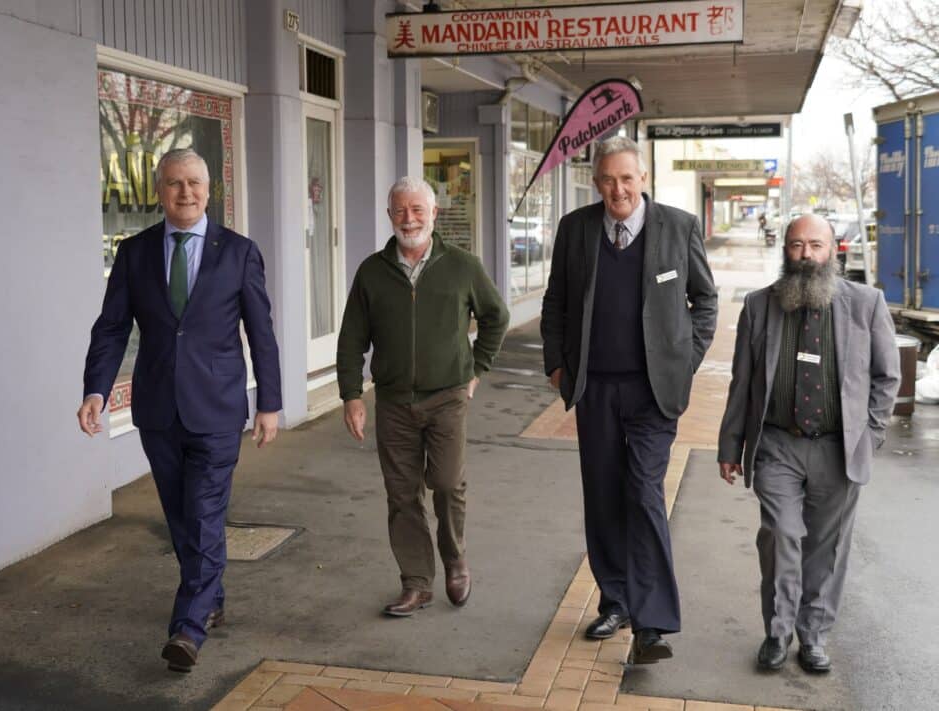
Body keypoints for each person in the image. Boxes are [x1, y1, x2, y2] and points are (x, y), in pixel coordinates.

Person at [77, 148, 282, 673]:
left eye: (194, 182)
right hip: (158, 409)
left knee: (205, 511)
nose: (185, 192)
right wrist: (97, 390)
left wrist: (270, 403)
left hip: (217, 407)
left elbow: (261, 331)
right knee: (181, 515)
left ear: (209, 190)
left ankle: (188, 627)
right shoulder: (135, 253)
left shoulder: (239, 252)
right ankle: (210, 596)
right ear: (159, 191)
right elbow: (112, 328)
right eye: (174, 183)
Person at [540, 136, 717, 664]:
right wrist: (557, 365)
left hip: (651, 392)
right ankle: (615, 600)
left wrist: (684, 362)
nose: (617, 189)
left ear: (643, 178)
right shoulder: (576, 229)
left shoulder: (679, 227)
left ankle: (652, 622)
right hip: (594, 388)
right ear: (596, 182)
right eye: (607, 180)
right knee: (602, 496)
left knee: (643, 493)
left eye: (626, 178)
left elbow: (705, 301)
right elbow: (556, 301)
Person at [718, 214, 900, 673]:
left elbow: (887, 376)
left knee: (826, 547)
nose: (806, 255)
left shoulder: (866, 304)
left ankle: (814, 636)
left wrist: (871, 433)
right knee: (781, 535)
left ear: (832, 249)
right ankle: (777, 632)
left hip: (838, 449)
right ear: (785, 249)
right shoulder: (759, 305)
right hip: (778, 444)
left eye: (815, 245)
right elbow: (742, 383)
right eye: (797, 245)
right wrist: (730, 446)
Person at [337, 176, 509, 617]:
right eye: (400, 210)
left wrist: (477, 369)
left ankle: (455, 560)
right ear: (389, 215)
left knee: (448, 484)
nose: (409, 219)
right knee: (402, 493)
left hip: (448, 396)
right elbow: (351, 337)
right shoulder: (372, 272)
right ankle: (416, 582)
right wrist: (351, 395)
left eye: (417, 210)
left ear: (434, 213)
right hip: (393, 401)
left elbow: (496, 316)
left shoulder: (463, 266)